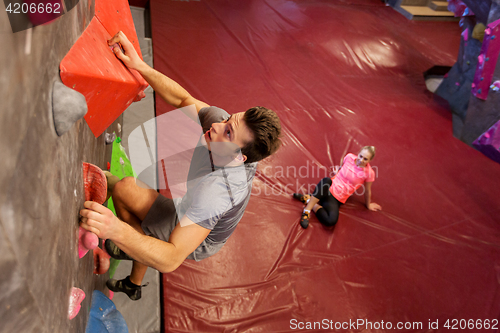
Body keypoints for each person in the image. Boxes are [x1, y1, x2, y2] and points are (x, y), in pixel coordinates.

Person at [79, 31, 282, 300]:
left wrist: (115, 229)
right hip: (195, 195)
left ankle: (129, 256)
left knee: (129, 203)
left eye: (229, 133)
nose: (217, 126)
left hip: (199, 234)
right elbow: (183, 100)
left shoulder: (216, 193)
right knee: (126, 190)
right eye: (229, 120)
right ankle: (133, 282)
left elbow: (173, 257)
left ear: (239, 158)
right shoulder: (221, 126)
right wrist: (139, 66)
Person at [293, 146, 381, 229]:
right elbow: (341, 167)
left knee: (331, 221)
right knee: (327, 180)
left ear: (370, 160)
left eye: (365, 159)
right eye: (360, 156)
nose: (361, 160)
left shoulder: (369, 173)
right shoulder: (349, 157)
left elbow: (367, 190)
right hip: (327, 188)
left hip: (337, 198)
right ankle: (306, 211)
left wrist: (368, 204)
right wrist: (337, 173)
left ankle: (309, 200)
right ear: (358, 153)